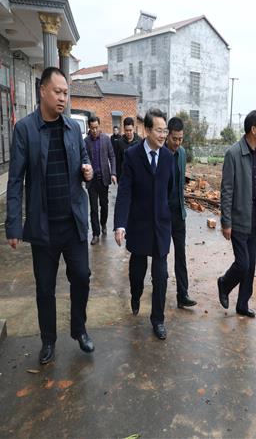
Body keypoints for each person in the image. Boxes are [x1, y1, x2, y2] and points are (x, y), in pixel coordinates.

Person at [5, 67, 95, 365]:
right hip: (43, 226)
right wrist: (13, 225)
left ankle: (79, 329)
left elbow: (84, 159)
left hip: (72, 222)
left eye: (66, 93)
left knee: (81, 276)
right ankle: (48, 340)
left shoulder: (72, 129)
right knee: (45, 287)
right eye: (57, 92)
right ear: (42, 91)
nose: (62, 98)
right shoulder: (25, 130)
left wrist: (87, 170)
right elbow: (15, 180)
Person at [114, 108, 174, 340]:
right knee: (137, 273)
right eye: (159, 130)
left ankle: (158, 319)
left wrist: (169, 218)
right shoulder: (132, 155)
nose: (163, 135)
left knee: (161, 276)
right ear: (147, 130)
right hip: (138, 224)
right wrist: (121, 224)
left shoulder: (168, 157)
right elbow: (125, 192)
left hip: (161, 226)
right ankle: (135, 295)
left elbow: (170, 190)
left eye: (165, 131)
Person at [217, 110, 256, 318]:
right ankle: (224, 284)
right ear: (253, 130)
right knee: (243, 264)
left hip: (253, 220)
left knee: (251, 266)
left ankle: (242, 304)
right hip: (238, 218)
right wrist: (226, 222)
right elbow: (226, 190)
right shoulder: (233, 154)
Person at [165, 117, 197, 309]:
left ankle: (182, 294)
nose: (177, 143)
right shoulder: (160, 153)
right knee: (161, 255)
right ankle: (159, 287)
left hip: (179, 213)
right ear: (167, 135)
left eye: (180, 139)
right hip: (162, 215)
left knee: (181, 255)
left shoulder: (182, 153)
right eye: (174, 139)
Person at [84, 116, 117, 245]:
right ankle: (95, 234)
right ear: (89, 127)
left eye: (96, 127)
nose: (94, 130)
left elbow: (112, 156)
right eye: (92, 128)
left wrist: (113, 173)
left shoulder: (106, 140)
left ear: (99, 126)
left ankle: (103, 223)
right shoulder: (86, 142)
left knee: (104, 205)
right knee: (93, 208)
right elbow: (83, 158)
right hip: (91, 180)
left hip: (103, 178)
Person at [113, 116, 138, 181]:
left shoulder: (139, 141)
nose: (128, 132)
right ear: (124, 129)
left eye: (130, 130)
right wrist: (118, 177)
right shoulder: (119, 142)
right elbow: (118, 161)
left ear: (133, 129)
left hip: (137, 176)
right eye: (126, 130)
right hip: (124, 176)